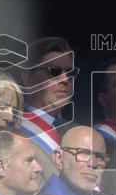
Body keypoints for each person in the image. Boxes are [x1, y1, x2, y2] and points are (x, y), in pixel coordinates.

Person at [18, 36, 77, 178]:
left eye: (70, 73)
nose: (65, 80)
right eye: (54, 71)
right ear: (28, 78)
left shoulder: (78, 132)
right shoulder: (11, 130)